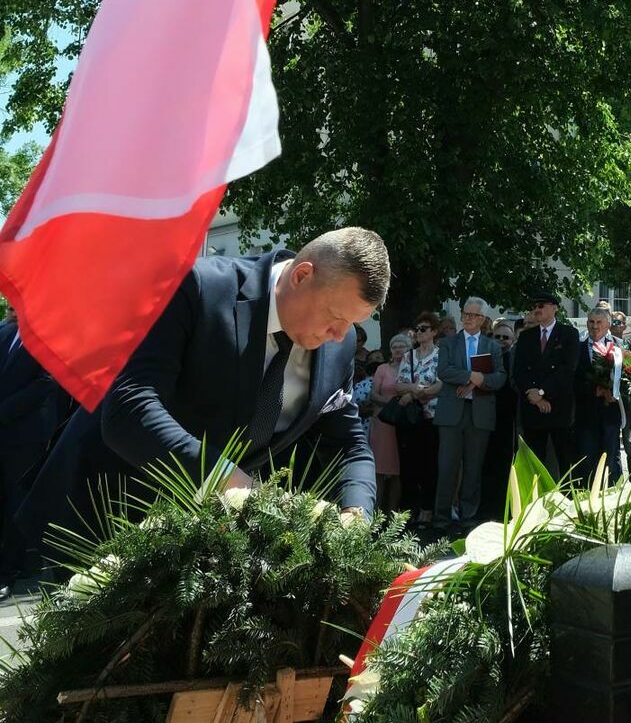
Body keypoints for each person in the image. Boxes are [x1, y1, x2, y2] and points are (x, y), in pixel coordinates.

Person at [29, 230, 390, 567]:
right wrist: (229, 483)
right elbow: (130, 407)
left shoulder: (338, 346)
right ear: (302, 276)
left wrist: (355, 512)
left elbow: (347, 444)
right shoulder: (195, 286)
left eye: (353, 324)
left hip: (220, 545)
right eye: (334, 316)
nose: (340, 335)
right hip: (116, 516)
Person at [0, 318, 67, 595]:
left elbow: (46, 381)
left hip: (26, 436)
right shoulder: (4, 330)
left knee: (16, 504)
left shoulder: (49, 332)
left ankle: (7, 573)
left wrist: (3, 412)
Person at [432, 298, 505, 534]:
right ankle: (441, 519)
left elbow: (500, 377)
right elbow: (444, 370)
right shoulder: (448, 343)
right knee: (447, 468)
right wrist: (471, 376)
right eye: (465, 313)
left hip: (479, 414)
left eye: (473, 315)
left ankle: (468, 519)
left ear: (483, 319)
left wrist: (479, 382)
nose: (467, 318)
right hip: (452, 413)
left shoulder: (492, 346)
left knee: (473, 469)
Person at [513, 290, 580, 477]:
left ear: (554, 308)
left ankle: (568, 501)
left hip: (559, 407)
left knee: (565, 461)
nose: (537, 310)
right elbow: (519, 370)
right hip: (533, 408)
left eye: (541, 305)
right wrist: (533, 395)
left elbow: (568, 369)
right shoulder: (527, 337)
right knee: (534, 463)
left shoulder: (569, 334)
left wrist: (543, 392)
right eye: (534, 307)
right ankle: (535, 502)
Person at [395, 315, 442, 527]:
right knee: (409, 465)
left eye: (425, 329)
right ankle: (409, 510)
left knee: (430, 465)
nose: (420, 332)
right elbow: (399, 385)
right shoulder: (409, 356)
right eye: (418, 329)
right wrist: (415, 390)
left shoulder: (441, 356)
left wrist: (414, 393)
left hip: (431, 418)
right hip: (411, 420)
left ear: (434, 332)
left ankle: (427, 509)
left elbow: (440, 385)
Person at [573, 305, 624, 484]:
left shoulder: (620, 345)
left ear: (608, 324)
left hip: (611, 414)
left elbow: (629, 377)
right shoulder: (577, 347)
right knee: (587, 461)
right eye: (591, 322)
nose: (595, 326)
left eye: (599, 322)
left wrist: (615, 392)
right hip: (585, 414)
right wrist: (594, 390)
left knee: (611, 460)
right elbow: (571, 379)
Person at [478, 319, 519, 522]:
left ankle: (504, 510)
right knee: (484, 463)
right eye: (498, 337)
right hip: (484, 415)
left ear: (512, 339)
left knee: (504, 463)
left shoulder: (515, 357)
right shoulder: (485, 357)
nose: (501, 340)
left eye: (506, 337)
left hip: (507, 418)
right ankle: (485, 511)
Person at [367, 333, 412, 514]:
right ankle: (374, 512)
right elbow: (373, 394)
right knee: (378, 469)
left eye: (402, 347)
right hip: (382, 423)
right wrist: (392, 404)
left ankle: (392, 514)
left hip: (403, 424)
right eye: (395, 347)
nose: (398, 350)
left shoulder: (412, 369)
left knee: (397, 471)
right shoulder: (382, 369)